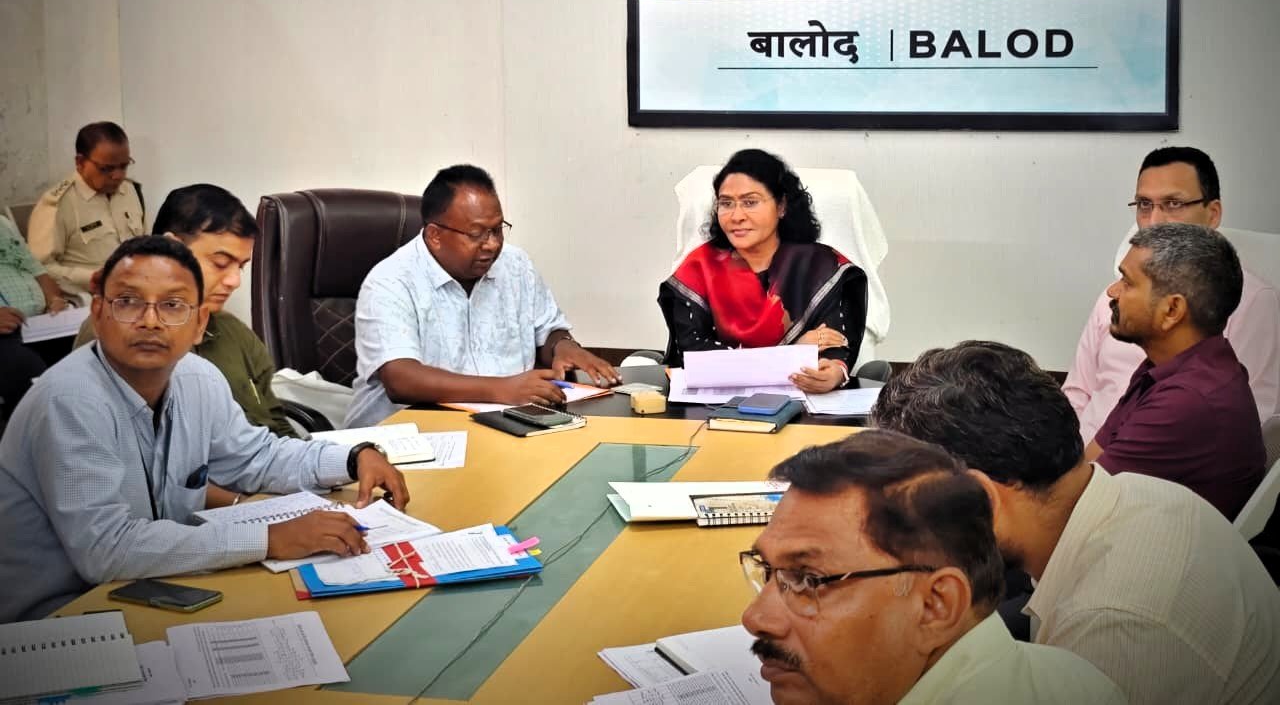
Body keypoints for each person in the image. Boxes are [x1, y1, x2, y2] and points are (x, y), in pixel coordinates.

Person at [0, 235, 409, 622]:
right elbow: (107, 549)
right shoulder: (69, 399)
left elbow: (257, 457)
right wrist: (270, 538)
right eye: (127, 302)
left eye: (172, 305)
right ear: (98, 312)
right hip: (58, 620)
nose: (150, 321)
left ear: (199, 322)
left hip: (155, 591)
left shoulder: (197, 378)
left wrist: (352, 458)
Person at [871, 340, 1280, 705]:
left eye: (906, 513)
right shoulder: (1134, 493)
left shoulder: (1111, 628)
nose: (904, 535)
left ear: (981, 499)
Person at [742, 429, 1125, 705]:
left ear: (935, 605)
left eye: (809, 580)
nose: (755, 618)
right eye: (769, 570)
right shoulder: (1074, 675)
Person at [346, 164, 619, 428]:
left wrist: (564, 347)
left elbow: (547, 331)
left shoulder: (516, 265)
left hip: (508, 424)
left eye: (497, 230)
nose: (492, 244)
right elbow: (401, 379)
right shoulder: (390, 282)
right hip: (406, 436)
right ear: (435, 236)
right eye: (476, 234)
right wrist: (502, 389)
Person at [1064, 146, 1279, 441]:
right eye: (1144, 205)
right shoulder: (1114, 295)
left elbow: (1253, 419)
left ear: (1212, 213)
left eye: (1173, 204)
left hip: (1167, 457)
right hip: (1082, 455)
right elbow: (1077, 393)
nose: (1154, 222)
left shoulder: (1251, 301)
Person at [76, 184, 294, 440]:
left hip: (264, 460)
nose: (234, 281)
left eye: (241, 267)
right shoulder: (115, 332)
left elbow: (276, 422)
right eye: (220, 263)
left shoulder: (233, 331)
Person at [1083, 222, 1264, 518]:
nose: (1112, 292)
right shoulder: (1167, 366)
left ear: (1171, 311)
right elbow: (1091, 461)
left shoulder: (1188, 401)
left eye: (1127, 282)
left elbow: (1078, 505)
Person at [658, 149, 868, 393]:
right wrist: (791, 353)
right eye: (726, 203)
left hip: (803, 401)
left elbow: (834, 346)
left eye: (750, 202)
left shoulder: (820, 266)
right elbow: (696, 355)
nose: (736, 216)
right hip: (712, 405)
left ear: (781, 206)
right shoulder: (698, 268)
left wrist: (833, 372)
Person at [28, 121, 146, 294]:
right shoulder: (58, 204)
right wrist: (90, 278)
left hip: (137, 288)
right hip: (91, 296)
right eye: (106, 169)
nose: (118, 176)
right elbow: (39, 269)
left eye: (124, 166)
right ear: (80, 162)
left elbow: (145, 242)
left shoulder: (130, 190)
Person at [0, 214, 78, 421]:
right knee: (33, 379)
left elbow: (38, 271)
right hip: (5, 336)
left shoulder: (3, 224)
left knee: (96, 353)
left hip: (41, 324)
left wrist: (54, 299)